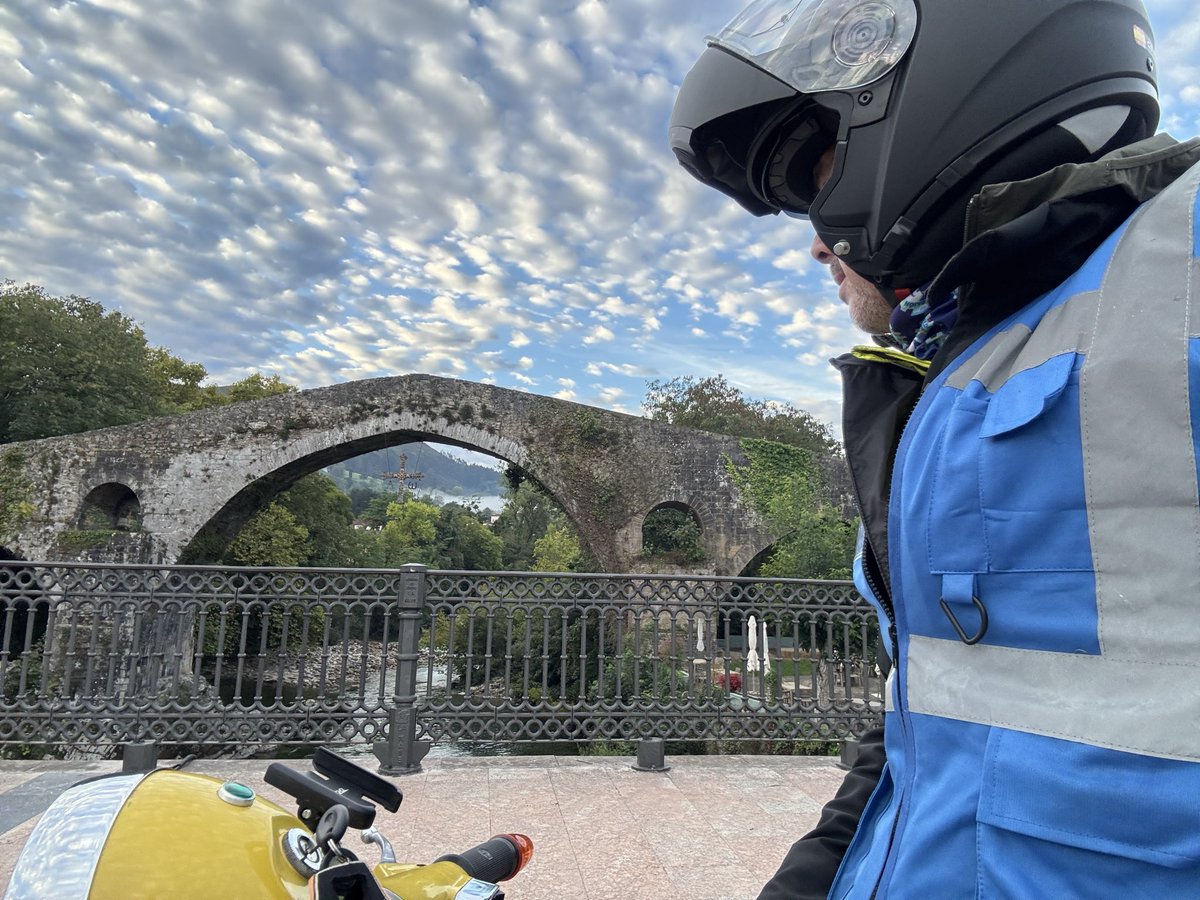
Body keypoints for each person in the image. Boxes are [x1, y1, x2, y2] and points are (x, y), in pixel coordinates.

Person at [669, 1, 1200, 897]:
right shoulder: (946, 381)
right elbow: (927, 725)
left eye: (813, 171)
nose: (816, 245)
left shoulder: (1178, 257)